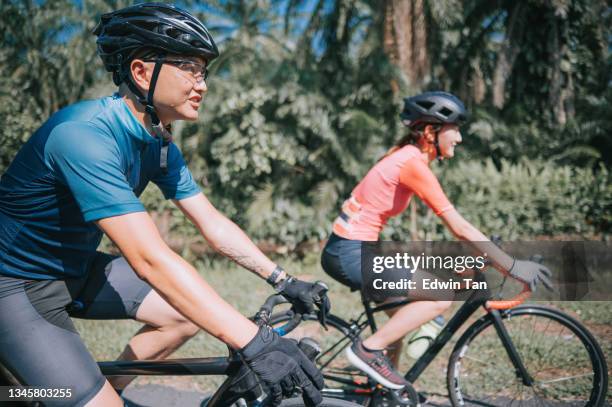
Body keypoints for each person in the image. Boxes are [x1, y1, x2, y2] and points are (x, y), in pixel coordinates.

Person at [0, 3, 327, 407]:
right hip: (15, 283)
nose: (202, 83)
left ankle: (99, 393)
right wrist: (252, 340)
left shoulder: (159, 144)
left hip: (77, 267)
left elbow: (211, 222)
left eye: (203, 71)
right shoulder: (82, 137)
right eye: (189, 67)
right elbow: (150, 258)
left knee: (182, 317)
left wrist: (283, 279)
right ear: (140, 71)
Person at [321, 91, 552, 389]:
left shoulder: (406, 158)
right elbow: (458, 227)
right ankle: (366, 351)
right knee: (440, 296)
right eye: (454, 129)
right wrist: (511, 266)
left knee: (400, 324)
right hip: (350, 254)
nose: (459, 138)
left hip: (355, 250)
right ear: (431, 132)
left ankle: (371, 393)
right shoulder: (411, 163)